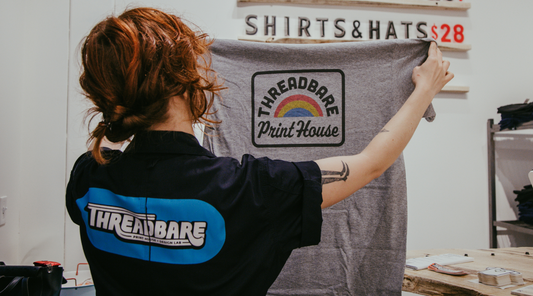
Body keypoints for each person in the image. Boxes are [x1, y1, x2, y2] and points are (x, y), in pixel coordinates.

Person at [66, 7, 453, 296]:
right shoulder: (248, 189)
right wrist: (424, 90)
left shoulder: (87, 178)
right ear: (183, 84)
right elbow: (370, 164)